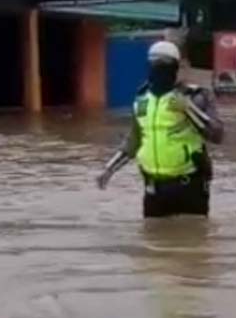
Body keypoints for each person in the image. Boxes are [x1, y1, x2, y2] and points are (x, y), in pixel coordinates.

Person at [96, 40, 224, 218]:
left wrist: (188, 109)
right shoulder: (142, 99)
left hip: (189, 185)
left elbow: (217, 134)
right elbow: (134, 140)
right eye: (156, 63)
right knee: (152, 240)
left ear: (176, 67)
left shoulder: (196, 96)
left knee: (194, 239)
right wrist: (109, 169)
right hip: (153, 188)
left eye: (165, 64)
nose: (159, 69)